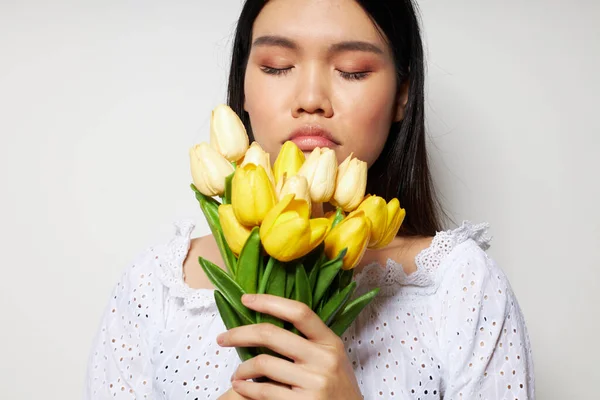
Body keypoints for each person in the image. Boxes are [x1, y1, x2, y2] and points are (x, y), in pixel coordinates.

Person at [84, 0, 535, 399]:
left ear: (402, 96)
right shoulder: (155, 289)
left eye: (353, 70)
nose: (311, 100)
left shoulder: (460, 287)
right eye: (278, 66)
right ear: (242, 87)